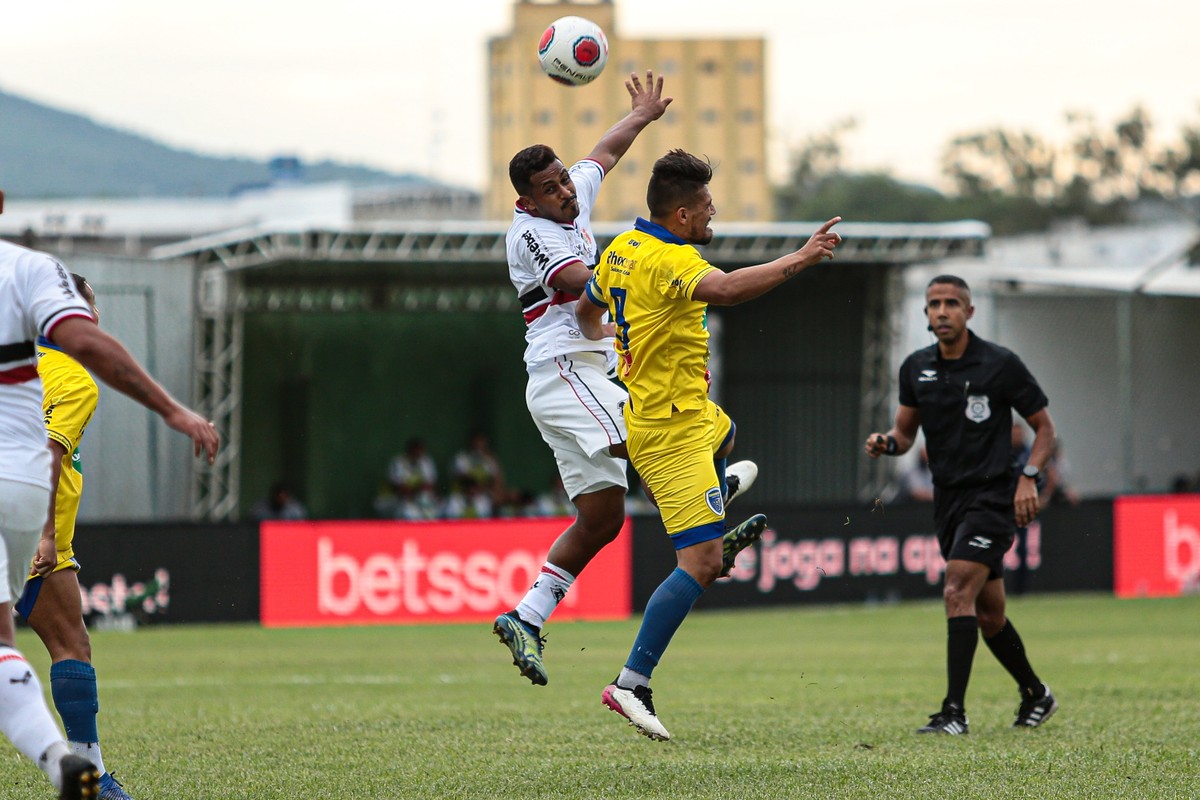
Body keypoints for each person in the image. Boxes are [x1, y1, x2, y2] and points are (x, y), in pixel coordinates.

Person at [492, 75, 760, 688]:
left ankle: (526, 617)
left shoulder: (570, 194)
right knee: (656, 431)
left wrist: (640, 114)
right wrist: (634, 269)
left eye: (563, 179)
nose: (564, 190)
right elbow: (580, 282)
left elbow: (605, 153)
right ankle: (706, 531)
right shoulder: (531, 233)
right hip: (566, 371)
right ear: (527, 201)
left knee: (603, 518)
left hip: (586, 372)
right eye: (549, 188)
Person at [577, 149, 842, 740]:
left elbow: (587, 309)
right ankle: (630, 684)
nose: (712, 215)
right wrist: (801, 257)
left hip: (692, 417)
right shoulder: (673, 259)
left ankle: (717, 499)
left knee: (729, 432)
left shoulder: (621, 249)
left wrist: (612, 352)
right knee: (699, 563)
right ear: (679, 215)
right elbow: (725, 292)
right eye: (705, 208)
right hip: (668, 433)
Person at [0, 189, 219, 798]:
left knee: (69, 638)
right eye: (87, 315)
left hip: (42, 539)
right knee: (63, 644)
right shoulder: (74, 378)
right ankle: (87, 770)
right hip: (27, 530)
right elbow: (47, 453)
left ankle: (88, 772)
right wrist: (43, 533)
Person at [865, 274, 1059, 735]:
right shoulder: (916, 368)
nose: (943, 311)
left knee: (956, 590)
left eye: (953, 303)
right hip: (947, 499)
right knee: (989, 615)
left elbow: (1045, 430)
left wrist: (1028, 478)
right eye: (934, 304)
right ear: (926, 313)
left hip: (992, 497)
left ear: (969, 312)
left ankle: (953, 712)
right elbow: (907, 434)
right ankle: (1036, 694)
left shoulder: (1000, 365)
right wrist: (886, 443)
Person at [375, 438, 439, 520]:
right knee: (407, 511)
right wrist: (419, 488)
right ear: (409, 450)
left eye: (421, 451)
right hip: (391, 500)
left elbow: (429, 486)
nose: (418, 453)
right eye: (416, 450)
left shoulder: (426, 461)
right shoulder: (398, 462)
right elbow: (401, 489)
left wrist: (420, 490)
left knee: (429, 509)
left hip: (414, 499)